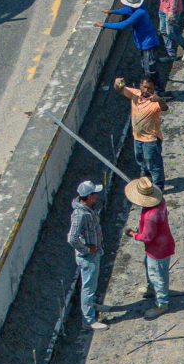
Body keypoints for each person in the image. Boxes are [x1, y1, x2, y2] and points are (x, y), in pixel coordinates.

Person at [126, 177, 175, 310]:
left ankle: (162, 304)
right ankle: (152, 288)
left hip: (157, 250)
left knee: (158, 276)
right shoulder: (160, 202)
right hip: (163, 243)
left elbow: (147, 237)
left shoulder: (150, 216)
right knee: (150, 267)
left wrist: (133, 234)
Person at [114, 71, 165, 191]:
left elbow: (164, 107)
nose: (147, 90)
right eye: (145, 87)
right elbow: (119, 89)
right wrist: (117, 83)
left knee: (154, 164)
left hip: (151, 140)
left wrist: (159, 100)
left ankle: (158, 187)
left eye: (150, 88)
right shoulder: (135, 95)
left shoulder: (155, 102)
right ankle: (147, 177)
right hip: (137, 137)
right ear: (140, 85)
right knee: (140, 159)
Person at [68, 178, 105, 329]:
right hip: (87, 257)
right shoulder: (80, 214)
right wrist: (87, 249)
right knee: (88, 288)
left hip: (93, 254)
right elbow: (72, 238)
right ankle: (88, 320)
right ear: (88, 196)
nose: (97, 196)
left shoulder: (88, 209)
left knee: (92, 284)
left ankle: (92, 306)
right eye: (95, 194)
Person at [105, 0, 162, 70]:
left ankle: (153, 80)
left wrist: (104, 24)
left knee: (148, 66)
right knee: (148, 62)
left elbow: (123, 25)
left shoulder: (139, 13)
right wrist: (112, 11)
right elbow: (127, 10)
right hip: (147, 38)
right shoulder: (140, 7)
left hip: (147, 42)